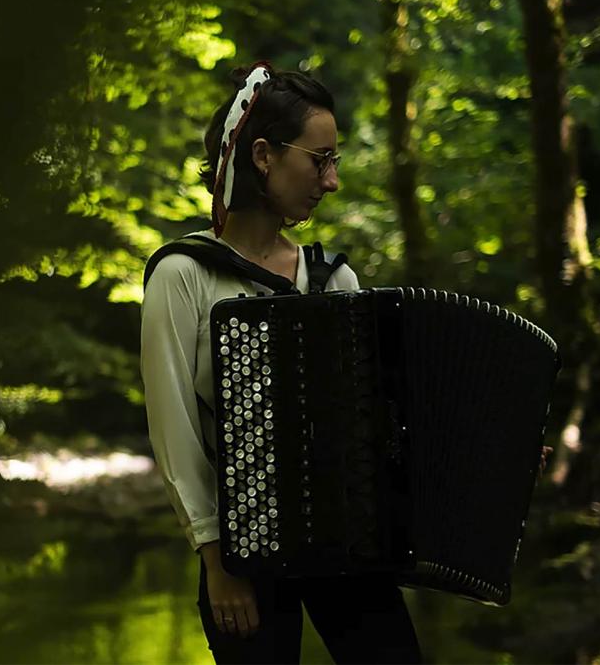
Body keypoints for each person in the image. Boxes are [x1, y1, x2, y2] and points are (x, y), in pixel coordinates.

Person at [139, 61, 424, 664]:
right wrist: (217, 561)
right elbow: (175, 432)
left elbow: (381, 418)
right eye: (320, 160)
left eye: (335, 160)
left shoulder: (334, 279)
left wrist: (475, 450)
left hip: (348, 542)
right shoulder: (183, 276)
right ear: (263, 156)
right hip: (243, 555)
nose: (332, 180)